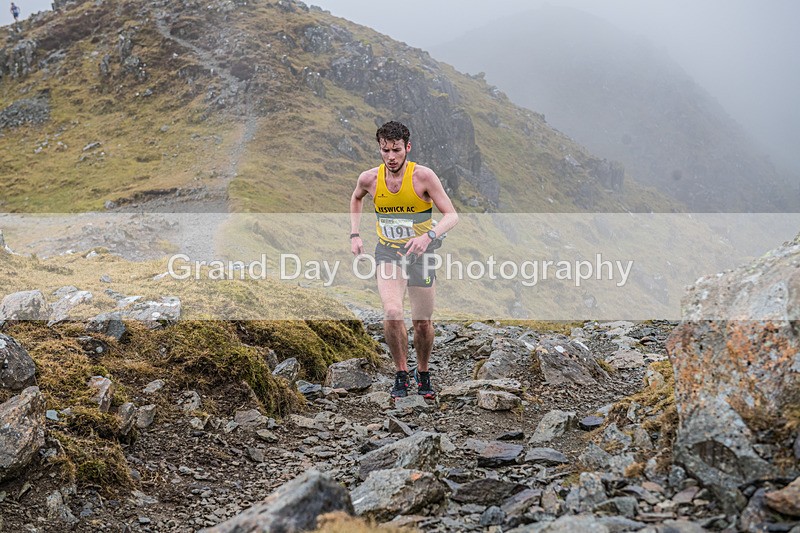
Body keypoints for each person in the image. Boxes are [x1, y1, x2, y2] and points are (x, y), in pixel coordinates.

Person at [350, 121, 459, 399]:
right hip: (388, 252)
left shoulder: (423, 177)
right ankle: (401, 373)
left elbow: (452, 215)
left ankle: (422, 372)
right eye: (385, 150)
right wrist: (355, 234)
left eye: (396, 150)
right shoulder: (369, 179)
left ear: (407, 148)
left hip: (421, 255)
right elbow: (356, 197)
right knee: (393, 313)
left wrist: (428, 237)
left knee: (422, 322)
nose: (391, 157)